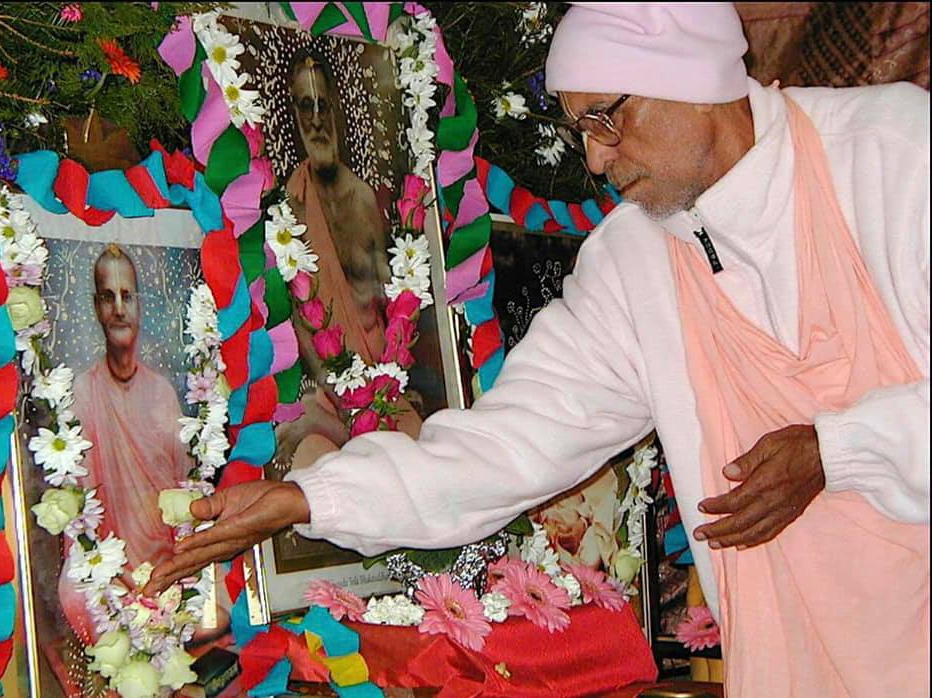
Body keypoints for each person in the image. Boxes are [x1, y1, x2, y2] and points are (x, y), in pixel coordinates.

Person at [146, 4, 930, 695]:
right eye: (580, 126)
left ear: (690, 77)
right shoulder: (634, 262)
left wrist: (840, 450)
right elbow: (508, 447)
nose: (594, 158)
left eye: (607, 117)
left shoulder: (893, 153)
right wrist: (312, 498)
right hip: (796, 660)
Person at [58, 244, 223, 644]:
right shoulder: (82, 392)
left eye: (126, 296)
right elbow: (79, 509)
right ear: (96, 307)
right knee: (74, 593)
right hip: (111, 569)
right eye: (107, 296)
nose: (118, 308)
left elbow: (188, 494)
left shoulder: (163, 392)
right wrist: (110, 572)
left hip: (168, 564)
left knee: (219, 606)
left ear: (139, 306)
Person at [274, 49, 421, 470]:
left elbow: (391, 298)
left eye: (323, 105)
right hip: (324, 391)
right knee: (310, 462)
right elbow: (299, 321)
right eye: (305, 106)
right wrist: (343, 398)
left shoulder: (363, 199)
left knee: (420, 453)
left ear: (337, 110)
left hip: (384, 384)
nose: (316, 119)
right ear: (293, 115)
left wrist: (387, 383)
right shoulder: (289, 206)